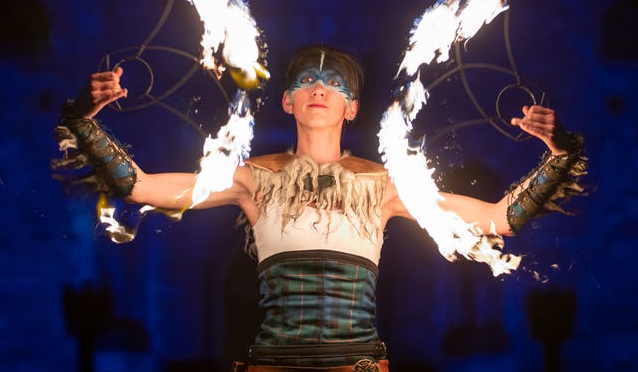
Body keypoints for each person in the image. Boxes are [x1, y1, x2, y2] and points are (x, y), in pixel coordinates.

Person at [54, 45, 586, 371]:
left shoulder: (385, 185)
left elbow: (498, 219)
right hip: (268, 367)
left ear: (352, 108)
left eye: (334, 84)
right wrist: (84, 118)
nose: (319, 88)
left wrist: (562, 157)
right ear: (287, 101)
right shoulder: (251, 178)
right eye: (306, 79)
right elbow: (140, 187)